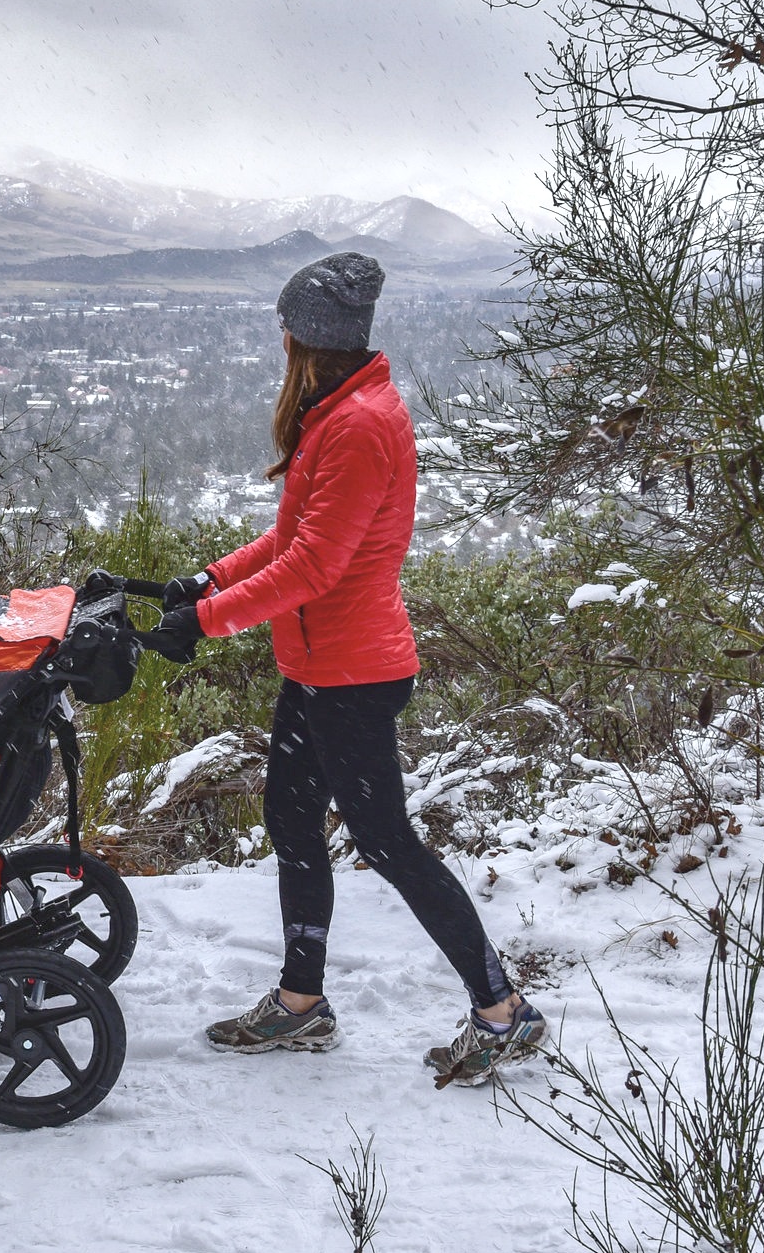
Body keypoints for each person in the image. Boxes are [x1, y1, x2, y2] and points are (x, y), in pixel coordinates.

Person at [136, 251, 545, 1087]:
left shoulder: (359, 424)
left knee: (389, 843)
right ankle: (301, 1002)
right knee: (291, 822)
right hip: (321, 666)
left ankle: (502, 1012)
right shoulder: (342, 411)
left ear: (304, 340)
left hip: (352, 674)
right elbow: (292, 540)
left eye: (284, 331)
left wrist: (204, 623)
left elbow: (313, 568)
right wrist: (207, 579)